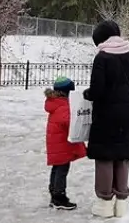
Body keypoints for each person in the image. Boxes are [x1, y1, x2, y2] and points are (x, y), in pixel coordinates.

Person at [83, 20, 129, 218]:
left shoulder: (102, 58)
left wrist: (88, 94)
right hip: (126, 114)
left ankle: (104, 204)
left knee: (105, 157)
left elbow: (97, 90)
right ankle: (121, 204)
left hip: (105, 114)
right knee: (122, 156)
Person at [44, 76, 87, 210]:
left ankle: (54, 194)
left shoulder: (55, 102)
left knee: (57, 168)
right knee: (62, 169)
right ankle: (59, 197)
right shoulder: (63, 105)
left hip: (57, 143)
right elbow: (68, 123)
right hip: (62, 144)